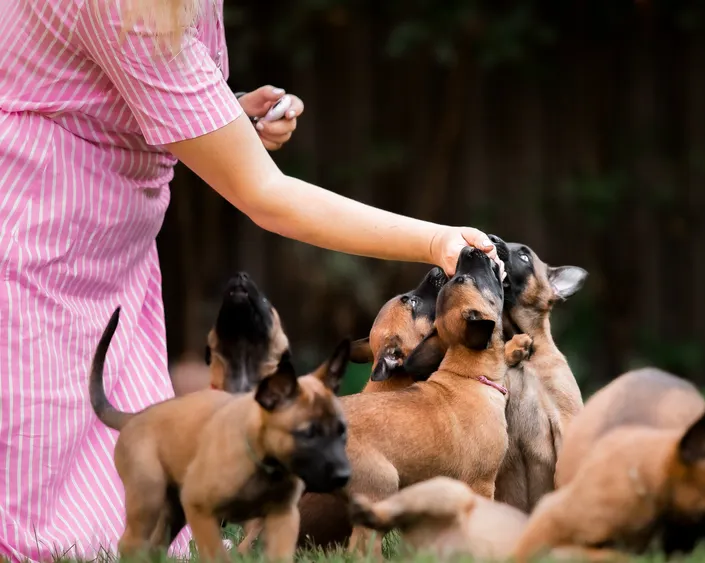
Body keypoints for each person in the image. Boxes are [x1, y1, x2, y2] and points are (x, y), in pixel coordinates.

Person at [0, 0, 503, 560]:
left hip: (111, 254)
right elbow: (265, 195)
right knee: (36, 527)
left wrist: (224, 119)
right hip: (34, 241)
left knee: (137, 527)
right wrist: (435, 242)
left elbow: (97, 85)